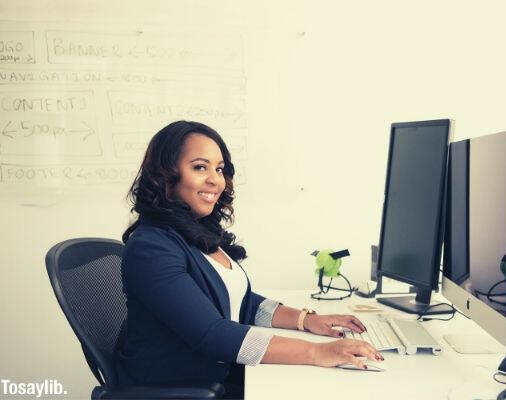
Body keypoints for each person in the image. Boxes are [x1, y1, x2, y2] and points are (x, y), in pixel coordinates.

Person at [115, 120, 383, 399]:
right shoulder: (151, 247)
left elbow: (243, 302)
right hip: (181, 386)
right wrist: (317, 352)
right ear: (166, 176)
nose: (215, 180)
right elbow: (212, 334)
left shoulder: (198, 233)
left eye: (219, 169)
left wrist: (306, 321)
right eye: (199, 167)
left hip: (216, 375)